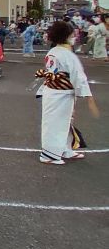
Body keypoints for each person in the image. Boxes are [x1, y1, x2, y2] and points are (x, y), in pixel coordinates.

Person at [35, 20, 99, 164]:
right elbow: (78, 77)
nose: (74, 37)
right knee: (55, 123)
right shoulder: (67, 55)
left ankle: (65, 149)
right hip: (60, 93)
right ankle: (49, 155)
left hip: (54, 92)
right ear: (66, 36)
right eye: (72, 34)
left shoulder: (54, 51)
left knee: (64, 122)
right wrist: (88, 97)